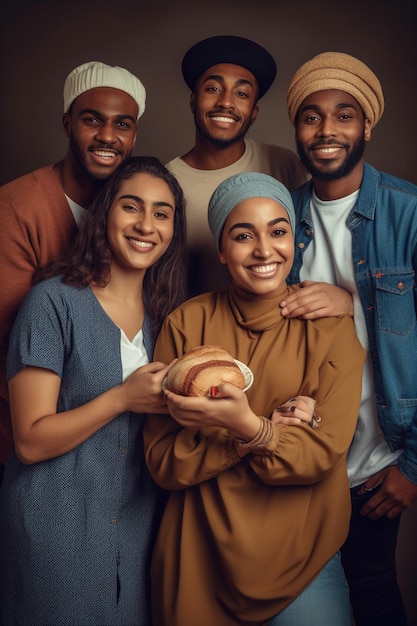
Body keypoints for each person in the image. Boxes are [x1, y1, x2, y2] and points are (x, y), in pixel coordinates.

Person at [143, 172, 365, 626]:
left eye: (278, 231)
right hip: (199, 558)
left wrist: (249, 426)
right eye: (243, 235)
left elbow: (322, 452)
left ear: (293, 242)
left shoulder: (330, 326)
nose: (265, 250)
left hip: (304, 558)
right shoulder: (187, 324)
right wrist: (253, 434)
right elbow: (163, 461)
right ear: (222, 251)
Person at [0, 156, 187, 626]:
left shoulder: (167, 318)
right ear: (105, 213)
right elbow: (29, 439)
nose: (147, 225)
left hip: (138, 530)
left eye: (162, 213)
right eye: (132, 207)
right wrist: (122, 398)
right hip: (56, 528)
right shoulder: (53, 302)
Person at [281, 51, 417, 626]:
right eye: (312, 117)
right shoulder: (281, 212)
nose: (327, 130)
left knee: (374, 593)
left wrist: (414, 466)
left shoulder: (407, 213)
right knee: (297, 600)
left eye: (344, 115)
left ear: (367, 126)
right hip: (300, 456)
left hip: (378, 461)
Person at [0, 60, 146, 480]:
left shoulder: (134, 218)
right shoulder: (17, 208)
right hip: (31, 439)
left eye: (123, 124)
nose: (107, 136)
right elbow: (16, 337)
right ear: (67, 123)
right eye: (91, 120)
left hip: (112, 447)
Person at [166, 35, 307, 295]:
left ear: (254, 112)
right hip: (198, 329)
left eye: (241, 93)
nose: (226, 102)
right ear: (193, 101)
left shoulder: (284, 164)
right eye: (213, 89)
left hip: (281, 324)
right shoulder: (165, 183)